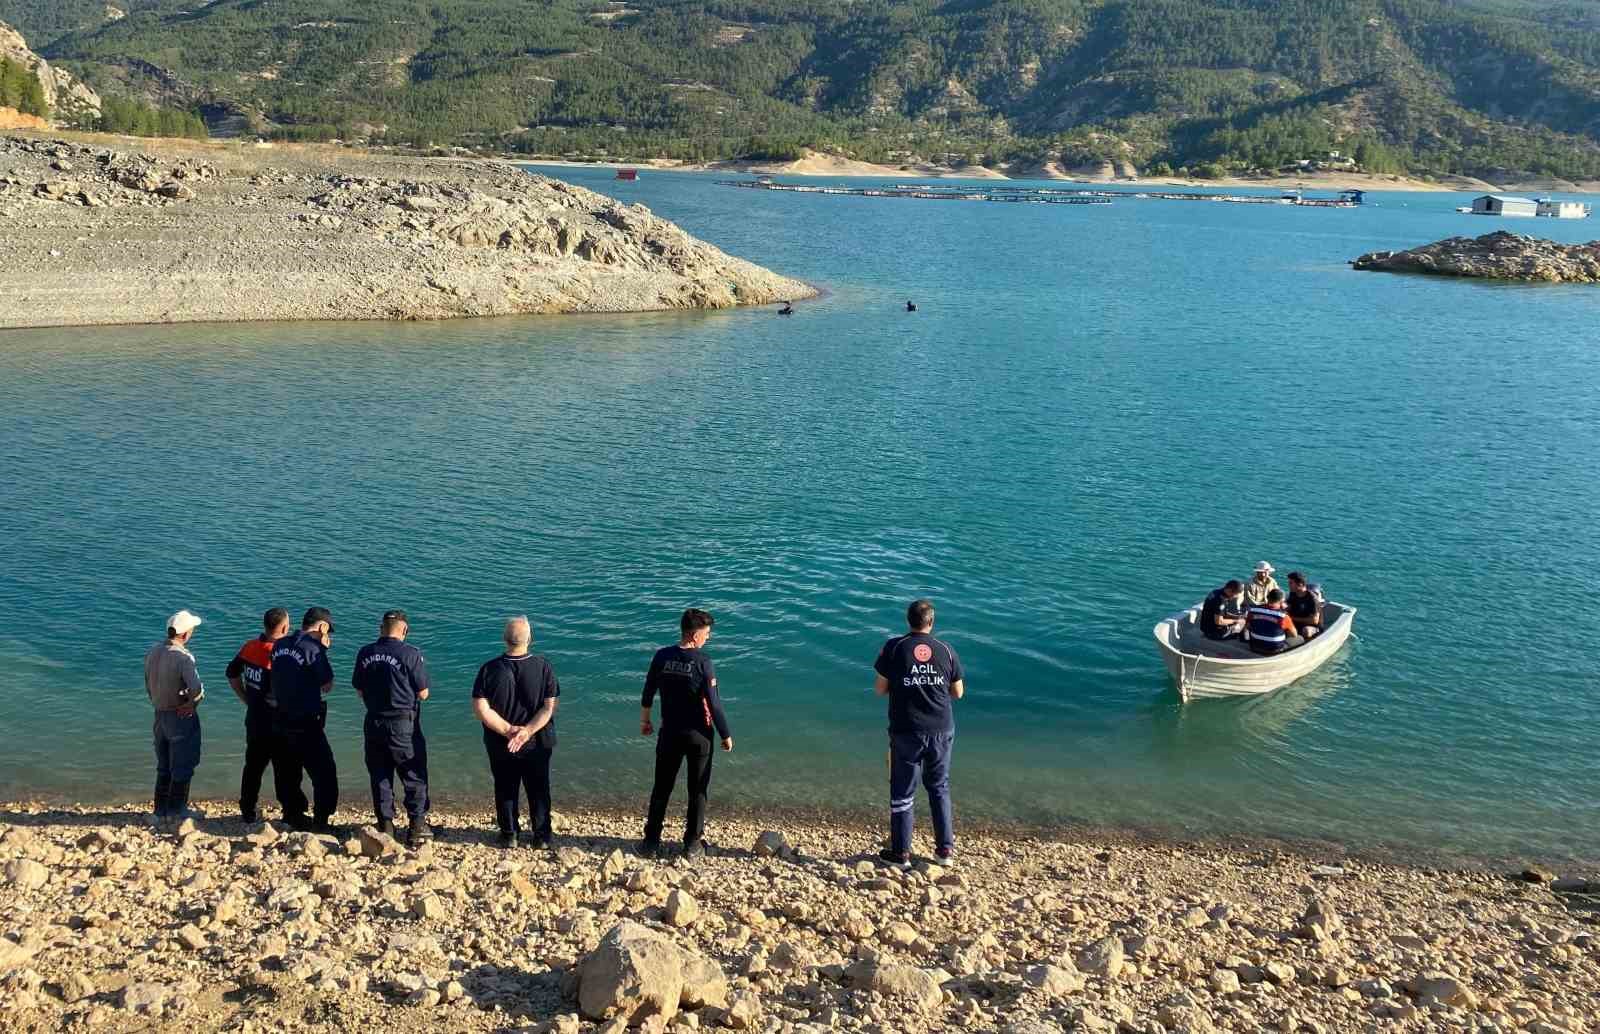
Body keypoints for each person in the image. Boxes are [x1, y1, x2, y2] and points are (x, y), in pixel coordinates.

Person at [874, 599, 965, 868]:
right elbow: (958, 692)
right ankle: (944, 852)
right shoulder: (946, 650)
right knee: (939, 788)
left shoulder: (894, 647)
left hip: (906, 730)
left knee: (902, 789)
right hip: (941, 728)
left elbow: (880, 688)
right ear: (932, 622)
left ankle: (901, 854)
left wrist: (904, 685)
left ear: (908, 621)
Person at [639, 608, 732, 860]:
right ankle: (692, 844)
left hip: (669, 733)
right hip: (699, 736)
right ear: (693, 635)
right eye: (706, 633)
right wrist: (725, 734)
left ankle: (651, 842)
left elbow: (648, 691)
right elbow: (714, 703)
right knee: (697, 790)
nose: (708, 638)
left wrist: (645, 721)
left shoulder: (661, 656)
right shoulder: (704, 662)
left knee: (662, 787)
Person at [472, 616, 560, 849]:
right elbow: (548, 707)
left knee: (505, 786)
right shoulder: (543, 666)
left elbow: (481, 708)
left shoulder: (489, 669)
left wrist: (509, 730)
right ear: (529, 639)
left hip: (501, 742)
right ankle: (541, 836)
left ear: (504, 639)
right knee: (539, 787)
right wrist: (527, 731)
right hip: (537, 741)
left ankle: (510, 834)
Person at [353, 609, 432, 846]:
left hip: (374, 721)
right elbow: (423, 693)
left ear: (381, 629)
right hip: (402, 724)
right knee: (412, 773)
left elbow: (358, 689)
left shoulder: (365, 652)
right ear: (404, 630)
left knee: (379, 774)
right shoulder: (410, 654)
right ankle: (417, 826)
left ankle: (385, 825)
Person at [270, 607, 340, 833]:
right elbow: (327, 683)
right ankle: (321, 819)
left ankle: (292, 813)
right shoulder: (313, 649)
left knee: (287, 770)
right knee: (324, 772)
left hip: (280, 717)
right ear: (321, 627)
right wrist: (323, 650)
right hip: (306, 720)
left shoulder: (279, 644)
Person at [225, 607, 289, 823]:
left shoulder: (250, 647)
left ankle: (248, 809)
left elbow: (232, 674)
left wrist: (246, 699)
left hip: (254, 718)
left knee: (252, 767)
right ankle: (288, 811)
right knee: (283, 768)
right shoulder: (281, 653)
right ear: (284, 627)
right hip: (278, 721)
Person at [143, 610, 206, 829]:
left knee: (164, 765)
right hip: (179, 716)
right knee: (183, 763)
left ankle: (160, 810)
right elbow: (196, 688)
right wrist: (191, 703)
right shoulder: (183, 657)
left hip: (159, 714)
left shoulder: (152, 652)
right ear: (185, 634)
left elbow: (148, 685)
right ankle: (178, 809)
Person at [1245, 589, 1304, 656]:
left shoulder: (1253, 611)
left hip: (1254, 647)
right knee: (1300, 638)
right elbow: (1294, 634)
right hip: (1274, 651)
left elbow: (1247, 626)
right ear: (1282, 601)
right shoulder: (1283, 616)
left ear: (1268, 597)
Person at [1285, 571, 1323, 640]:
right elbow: (1288, 606)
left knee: (1306, 631)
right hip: (1296, 623)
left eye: (1291, 583)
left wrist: (1292, 618)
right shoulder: (1293, 594)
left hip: (1311, 627)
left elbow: (1314, 621)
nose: (1288, 585)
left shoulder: (1312, 599)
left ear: (1300, 584)